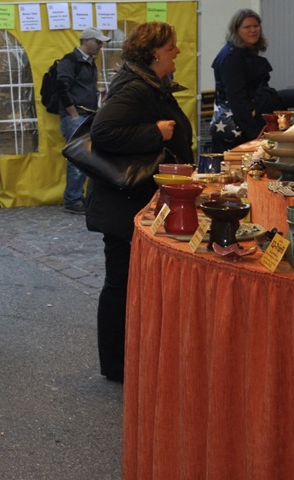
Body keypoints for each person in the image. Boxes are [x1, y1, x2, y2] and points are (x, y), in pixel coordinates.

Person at [86, 21, 193, 383]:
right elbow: (103, 132)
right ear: (153, 53)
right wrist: (156, 133)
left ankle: (128, 357)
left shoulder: (150, 85)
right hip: (123, 203)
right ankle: (115, 365)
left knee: (127, 282)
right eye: (171, 46)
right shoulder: (135, 88)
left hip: (131, 201)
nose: (177, 51)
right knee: (120, 283)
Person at [56, 27, 110, 214]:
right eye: (98, 41)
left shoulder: (87, 62)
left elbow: (72, 87)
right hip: (77, 116)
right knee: (78, 158)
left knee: (82, 158)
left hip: (84, 115)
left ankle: (76, 197)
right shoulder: (70, 61)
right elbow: (61, 87)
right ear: (86, 40)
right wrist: (72, 113)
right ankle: (73, 199)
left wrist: (97, 92)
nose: (100, 46)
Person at [210, 9, 280, 151]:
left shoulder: (243, 53)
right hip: (239, 128)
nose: (253, 30)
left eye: (256, 26)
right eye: (247, 27)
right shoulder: (232, 58)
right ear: (236, 30)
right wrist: (253, 132)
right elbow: (236, 98)